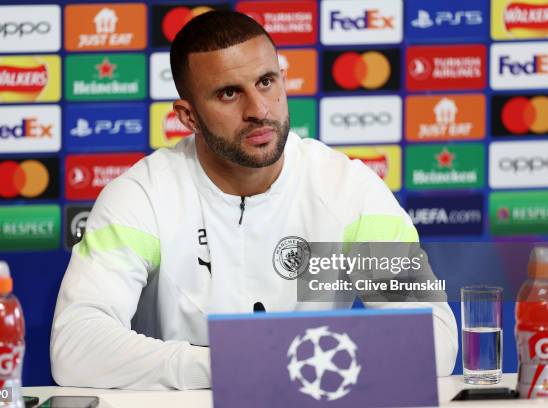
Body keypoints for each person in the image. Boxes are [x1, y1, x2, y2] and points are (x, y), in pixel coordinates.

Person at [50, 11, 458, 390]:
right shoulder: (144, 195)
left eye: (266, 81)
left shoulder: (346, 190)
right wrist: (231, 365)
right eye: (229, 93)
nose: (259, 110)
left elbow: (432, 339)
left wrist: (299, 365)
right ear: (188, 116)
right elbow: (75, 346)